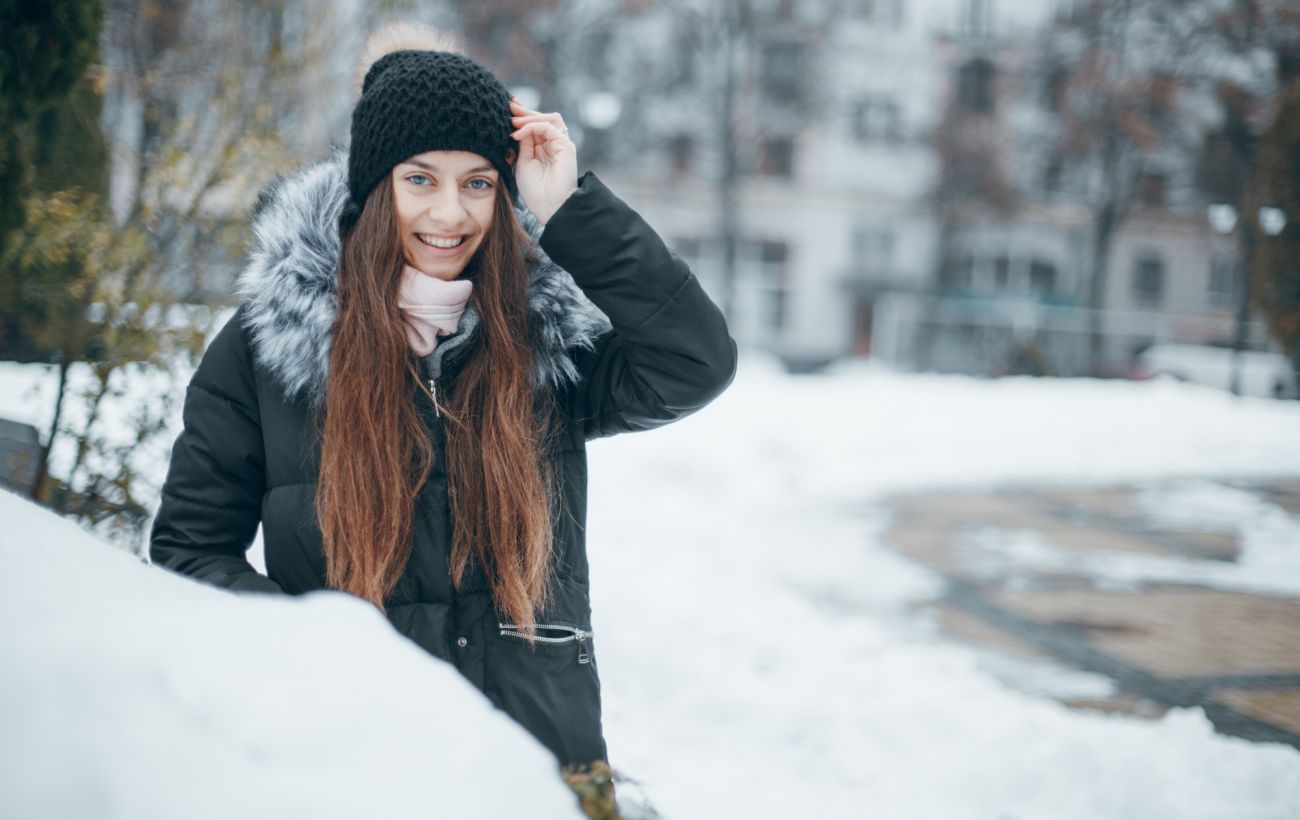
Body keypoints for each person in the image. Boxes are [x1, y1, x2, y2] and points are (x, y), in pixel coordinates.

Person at [148, 23, 736, 769]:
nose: (450, 215)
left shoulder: (539, 343)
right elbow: (189, 551)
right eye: (420, 179)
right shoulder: (268, 345)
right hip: (346, 759)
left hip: (535, 760)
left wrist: (572, 210)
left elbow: (695, 361)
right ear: (375, 188)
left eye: (478, 183)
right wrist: (307, 646)